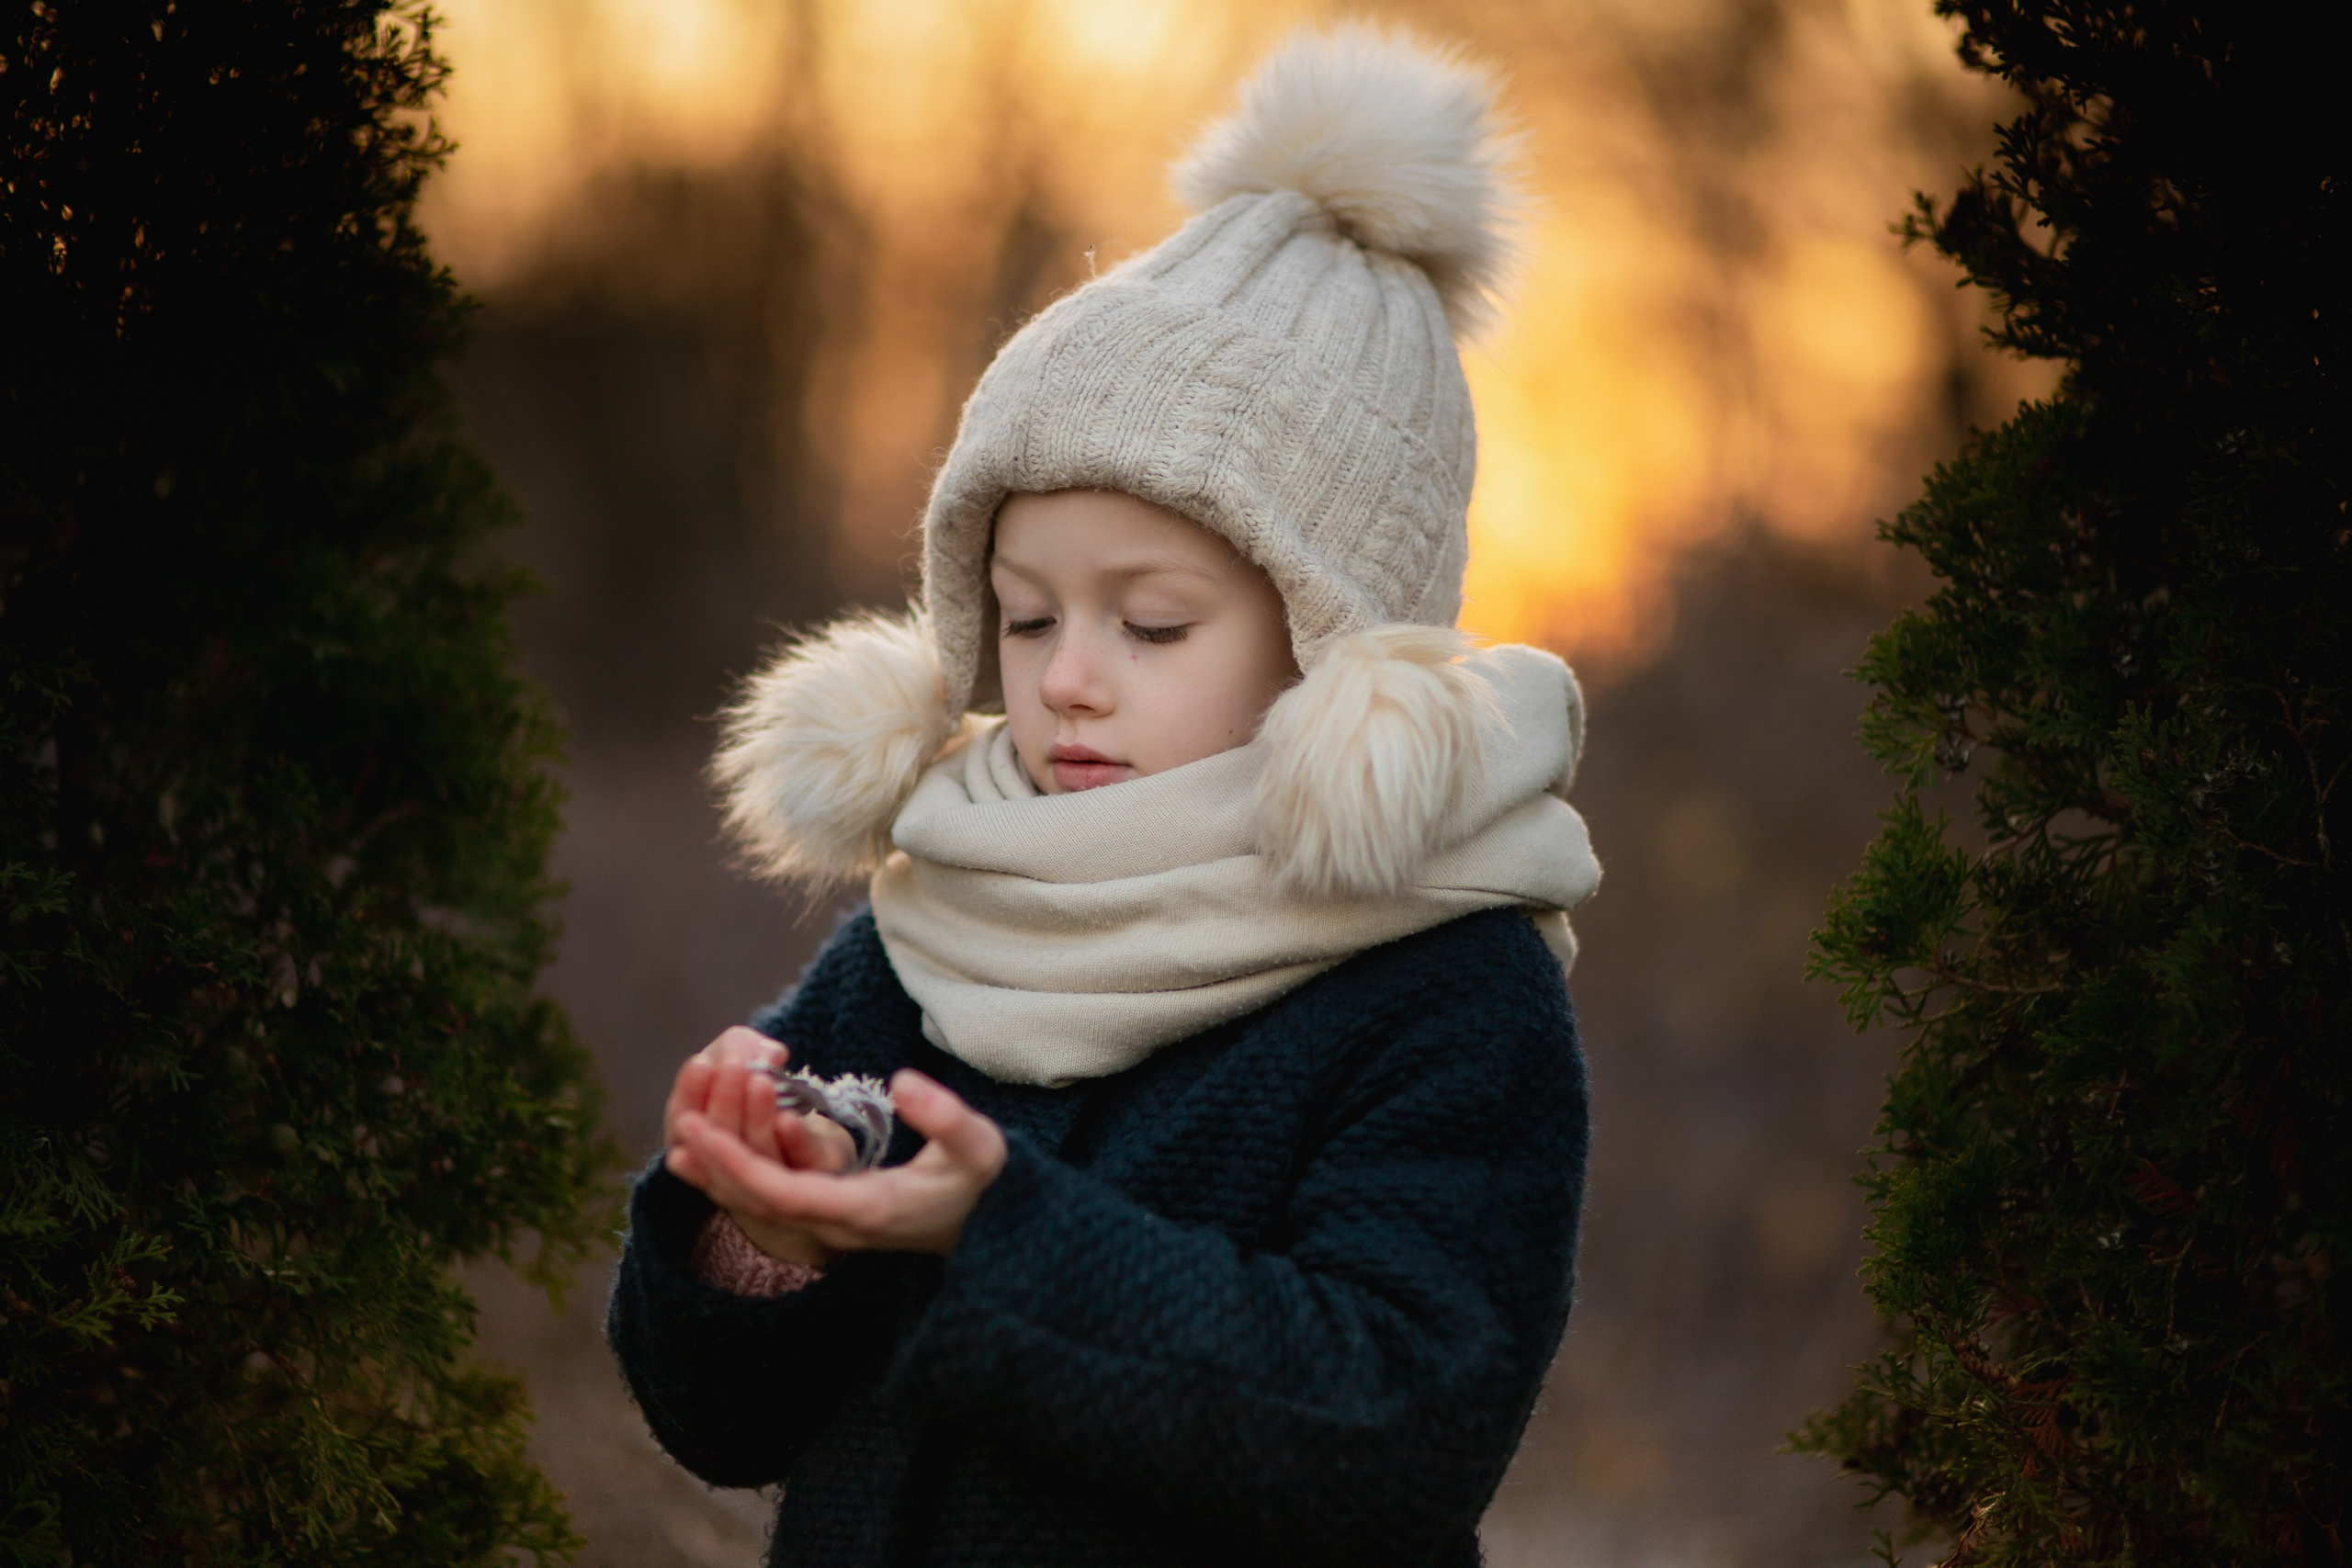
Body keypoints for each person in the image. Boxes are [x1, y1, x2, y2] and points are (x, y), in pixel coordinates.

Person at [606, 24, 1603, 1568]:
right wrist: (760, 1238)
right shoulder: (947, 909)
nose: (1066, 678)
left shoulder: (1441, 987)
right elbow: (718, 1425)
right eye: (1021, 615)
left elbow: (1397, 1424)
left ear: (1331, 643)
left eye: (1150, 625)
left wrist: (989, 1237)